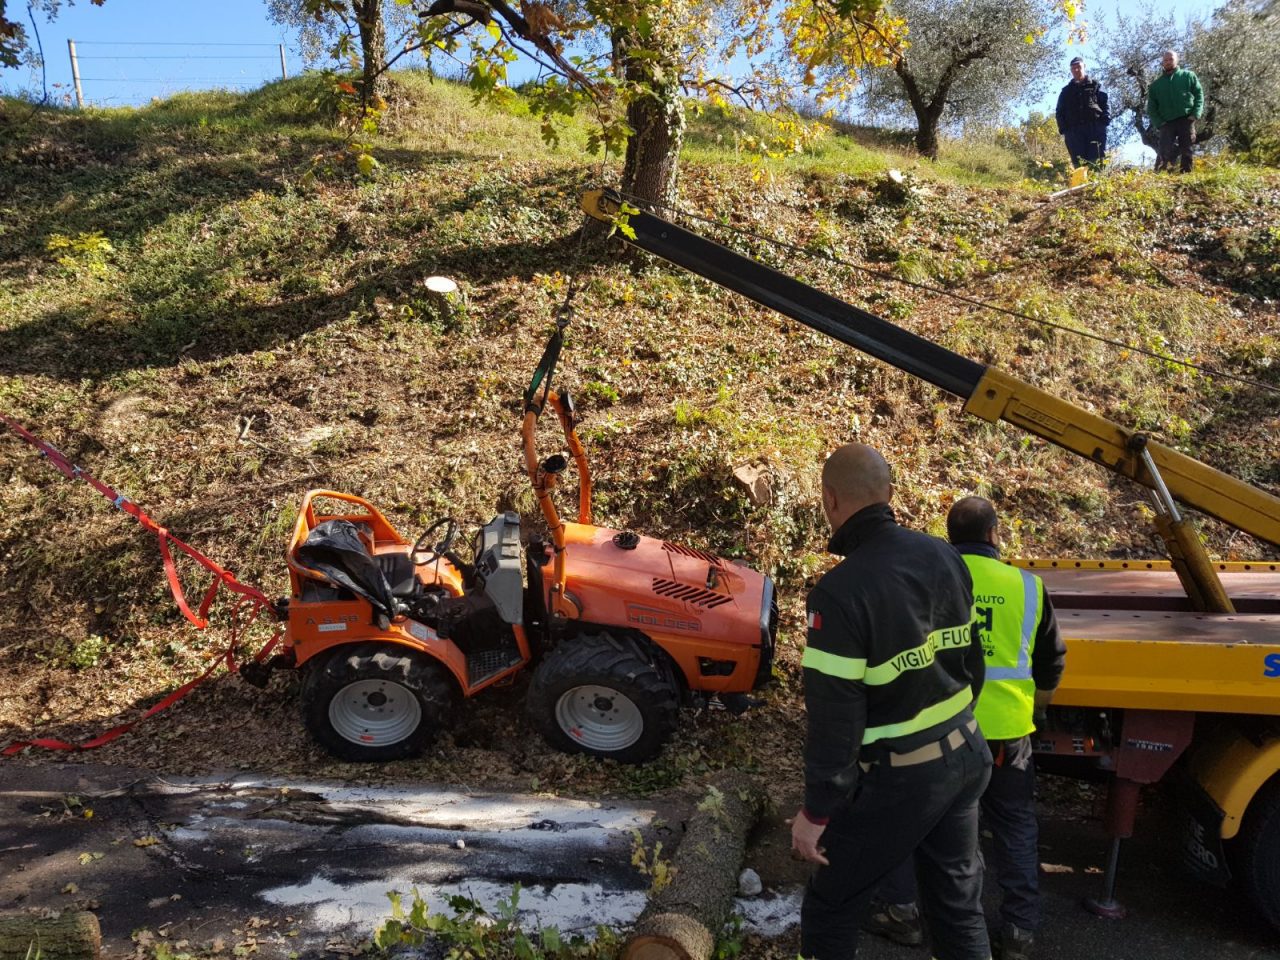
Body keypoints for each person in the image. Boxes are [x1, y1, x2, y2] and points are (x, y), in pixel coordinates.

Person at [791, 444, 992, 960]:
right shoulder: (943, 554)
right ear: (889, 493)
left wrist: (816, 811)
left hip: (904, 779)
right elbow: (973, 663)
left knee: (831, 907)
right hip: (968, 752)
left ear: (830, 499)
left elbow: (835, 722)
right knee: (957, 907)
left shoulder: (839, 594)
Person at [864, 496, 1067, 960]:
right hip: (1007, 734)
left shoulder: (927, 580)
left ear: (949, 536)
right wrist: (1035, 712)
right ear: (994, 534)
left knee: (911, 819)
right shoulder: (1028, 586)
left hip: (941, 727)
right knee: (1014, 826)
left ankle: (902, 912)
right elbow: (1051, 663)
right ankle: (1019, 929)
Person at [1147, 50, 1204, 173]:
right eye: (1165, 60)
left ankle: (1186, 176)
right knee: (1163, 151)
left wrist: (1195, 114)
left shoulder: (1188, 76)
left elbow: (1199, 95)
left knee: (1187, 150)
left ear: (1177, 60)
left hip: (1186, 119)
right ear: (1162, 62)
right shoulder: (1156, 85)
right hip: (1166, 122)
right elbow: (1151, 108)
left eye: (1171, 59)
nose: (1168, 62)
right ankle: (1159, 176)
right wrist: (1159, 122)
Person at [1055, 56, 1111, 166]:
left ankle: (1097, 177)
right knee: (1079, 164)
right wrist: (1065, 130)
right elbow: (1059, 112)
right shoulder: (1066, 92)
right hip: (1074, 133)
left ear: (1084, 67)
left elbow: (1105, 104)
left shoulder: (1095, 86)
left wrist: (1104, 122)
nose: (1076, 70)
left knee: (1097, 163)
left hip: (1095, 130)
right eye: (1073, 68)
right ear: (1071, 70)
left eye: (1079, 67)